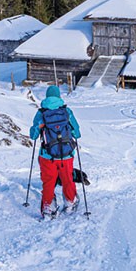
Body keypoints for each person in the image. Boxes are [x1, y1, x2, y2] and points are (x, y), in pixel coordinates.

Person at [29, 85, 81, 218]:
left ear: (47, 96)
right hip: (66, 155)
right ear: (58, 96)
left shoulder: (42, 113)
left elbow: (33, 135)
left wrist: (39, 128)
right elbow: (77, 132)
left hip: (47, 155)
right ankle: (70, 202)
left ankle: (49, 208)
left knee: (48, 181)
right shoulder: (66, 111)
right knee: (68, 178)